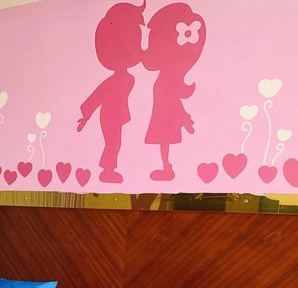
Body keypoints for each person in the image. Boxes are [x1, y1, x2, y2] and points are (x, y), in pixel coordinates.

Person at [77, 2, 146, 184]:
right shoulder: (117, 80)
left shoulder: (128, 78)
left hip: (115, 116)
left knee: (115, 142)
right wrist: (86, 115)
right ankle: (108, 170)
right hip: (109, 116)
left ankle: (107, 168)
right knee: (113, 143)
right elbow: (97, 96)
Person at [143, 3, 206, 181]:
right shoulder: (167, 77)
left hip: (166, 120)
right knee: (164, 142)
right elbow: (173, 101)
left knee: (165, 141)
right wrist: (184, 118)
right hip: (166, 118)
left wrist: (183, 118)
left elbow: (172, 102)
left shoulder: (167, 78)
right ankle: (166, 166)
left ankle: (166, 167)